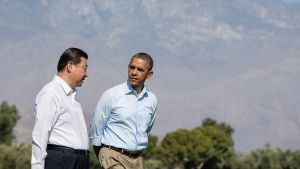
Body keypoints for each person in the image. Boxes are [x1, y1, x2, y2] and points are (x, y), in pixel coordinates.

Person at [89, 52, 157, 169]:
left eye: (140, 69)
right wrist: (103, 155)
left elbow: (146, 129)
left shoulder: (151, 100)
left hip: (138, 160)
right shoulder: (111, 95)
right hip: (113, 157)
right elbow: (96, 129)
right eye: (131, 67)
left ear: (149, 74)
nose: (134, 73)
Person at [31, 47, 90, 169]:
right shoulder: (51, 93)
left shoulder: (73, 98)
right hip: (61, 161)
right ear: (70, 66)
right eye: (84, 68)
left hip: (78, 162)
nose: (87, 74)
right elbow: (40, 135)